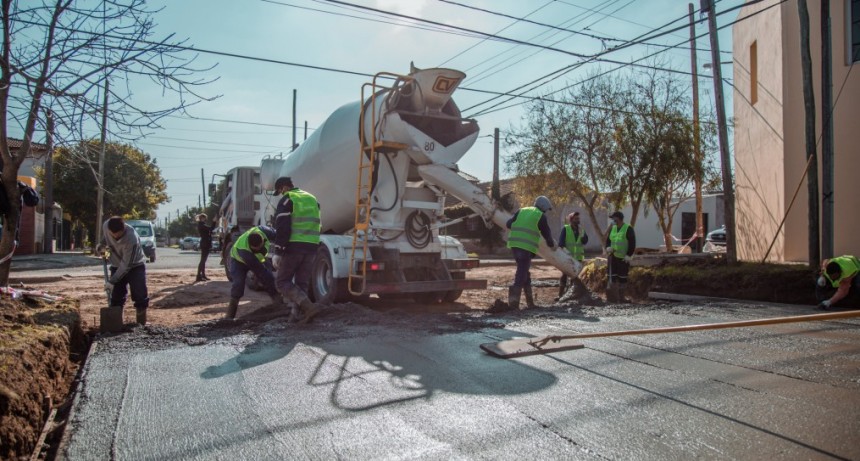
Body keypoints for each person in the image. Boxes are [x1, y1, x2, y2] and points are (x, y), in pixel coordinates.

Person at [272, 177, 323, 323]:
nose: (281, 194)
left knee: (282, 282)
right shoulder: (312, 199)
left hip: (294, 246)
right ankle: (295, 317)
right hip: (312, 246)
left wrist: (278, 252)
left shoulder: (288, 199)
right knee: (302, 284)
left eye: (280, 191)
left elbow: (283, 227)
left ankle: (309, 307)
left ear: (284, 188)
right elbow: (319, 224)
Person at [504, 195, 555, 309]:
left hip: (514, 245)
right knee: (522, 272)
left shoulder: (521, 210)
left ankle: (530, 303)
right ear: (543, 207)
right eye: (546, 209)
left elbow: (508, 224)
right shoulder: (540, 216)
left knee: (525, 272)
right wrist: (552, 245)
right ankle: (513, 304)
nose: (546, 212)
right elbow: (547, 234)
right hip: (525, 246)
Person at [225, 225, 282, 319]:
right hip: (238, 261)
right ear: (251, 246)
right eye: (255, 249)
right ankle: (229, 315)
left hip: (260, 258)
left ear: (263, 240)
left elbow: (280, 236)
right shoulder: (246, 252)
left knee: (269, 278)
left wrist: (280, 251)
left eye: (260, 247)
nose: (258, 250)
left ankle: (278, 302)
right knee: (238, 284)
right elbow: (260, 271)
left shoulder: (266, 231)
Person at [100, 216, 149, 325]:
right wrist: (102, 248)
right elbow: (107, 242)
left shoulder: (132, 238)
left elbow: (126, 265)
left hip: (135, 265)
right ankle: (115, 323)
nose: (116, 237)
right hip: (116, 265)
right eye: (113, 234)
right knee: (117, 295)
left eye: (118, 234)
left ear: (123, 229)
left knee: (139, 294)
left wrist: (112, 281)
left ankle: (141, 323)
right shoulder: (106, 226)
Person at [556, 211, 590, 301]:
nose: (578, 220)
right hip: (567, 257)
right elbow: (561, 243)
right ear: (571, 220)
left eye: (578, 218)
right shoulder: (565, 229)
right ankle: (560, 295)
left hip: (578, 258)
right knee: (564, 275)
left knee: (575, 276)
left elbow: (585, 241)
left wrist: (582, 235)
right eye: (576, 219)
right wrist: (565, 251)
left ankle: (571, 295)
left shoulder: (581, 229)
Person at [604, 211, 636, 303]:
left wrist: (628, 255)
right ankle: (612, 298)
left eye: (614, 218)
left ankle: (622, 298)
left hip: (623, 258)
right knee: (611, 277)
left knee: (622, 277)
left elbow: (632, 243)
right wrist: (608, 247)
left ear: (619, 218)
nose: (612, 220)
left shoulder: (628, 228)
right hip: (612, 257)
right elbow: (608, 241)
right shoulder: (612, 228)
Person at [196, 213, 212, 282]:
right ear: (202, 218)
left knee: (203, 260)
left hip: (205, 243)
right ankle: (199, 276)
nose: (205, 219)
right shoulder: (201, 225)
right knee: (203, 260)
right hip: (205, 243)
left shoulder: (201, 225)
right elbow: (211, 228)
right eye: (204, 218)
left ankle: (202, 275)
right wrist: (214, 222)